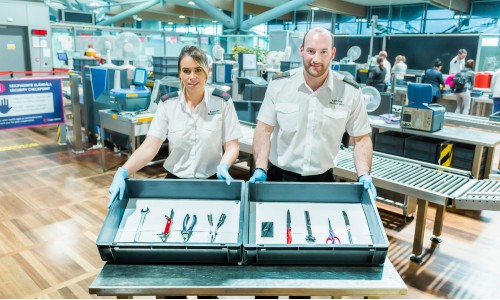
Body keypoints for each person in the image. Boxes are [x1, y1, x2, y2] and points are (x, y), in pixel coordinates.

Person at [108, 45, 242, 207]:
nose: (192, 76)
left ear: (207, 70)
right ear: (180, 73)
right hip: (175, 181)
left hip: (212, 180)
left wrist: (224, 165)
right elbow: (150, 146)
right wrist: (123, 171)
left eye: (198, 70)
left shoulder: (222, 102)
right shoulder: (168, 104)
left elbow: (232, 146)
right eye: (186, 71)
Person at [249, 27, 376, 196]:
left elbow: (361, 139)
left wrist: (364, 174)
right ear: (301, 51)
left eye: (323, 52)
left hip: (322, 181)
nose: (316, 58)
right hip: (279, 177)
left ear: (332, 53)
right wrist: (260, 167)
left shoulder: (349, 92)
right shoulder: (279, 85)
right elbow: (264, 130)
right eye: (311, 51)